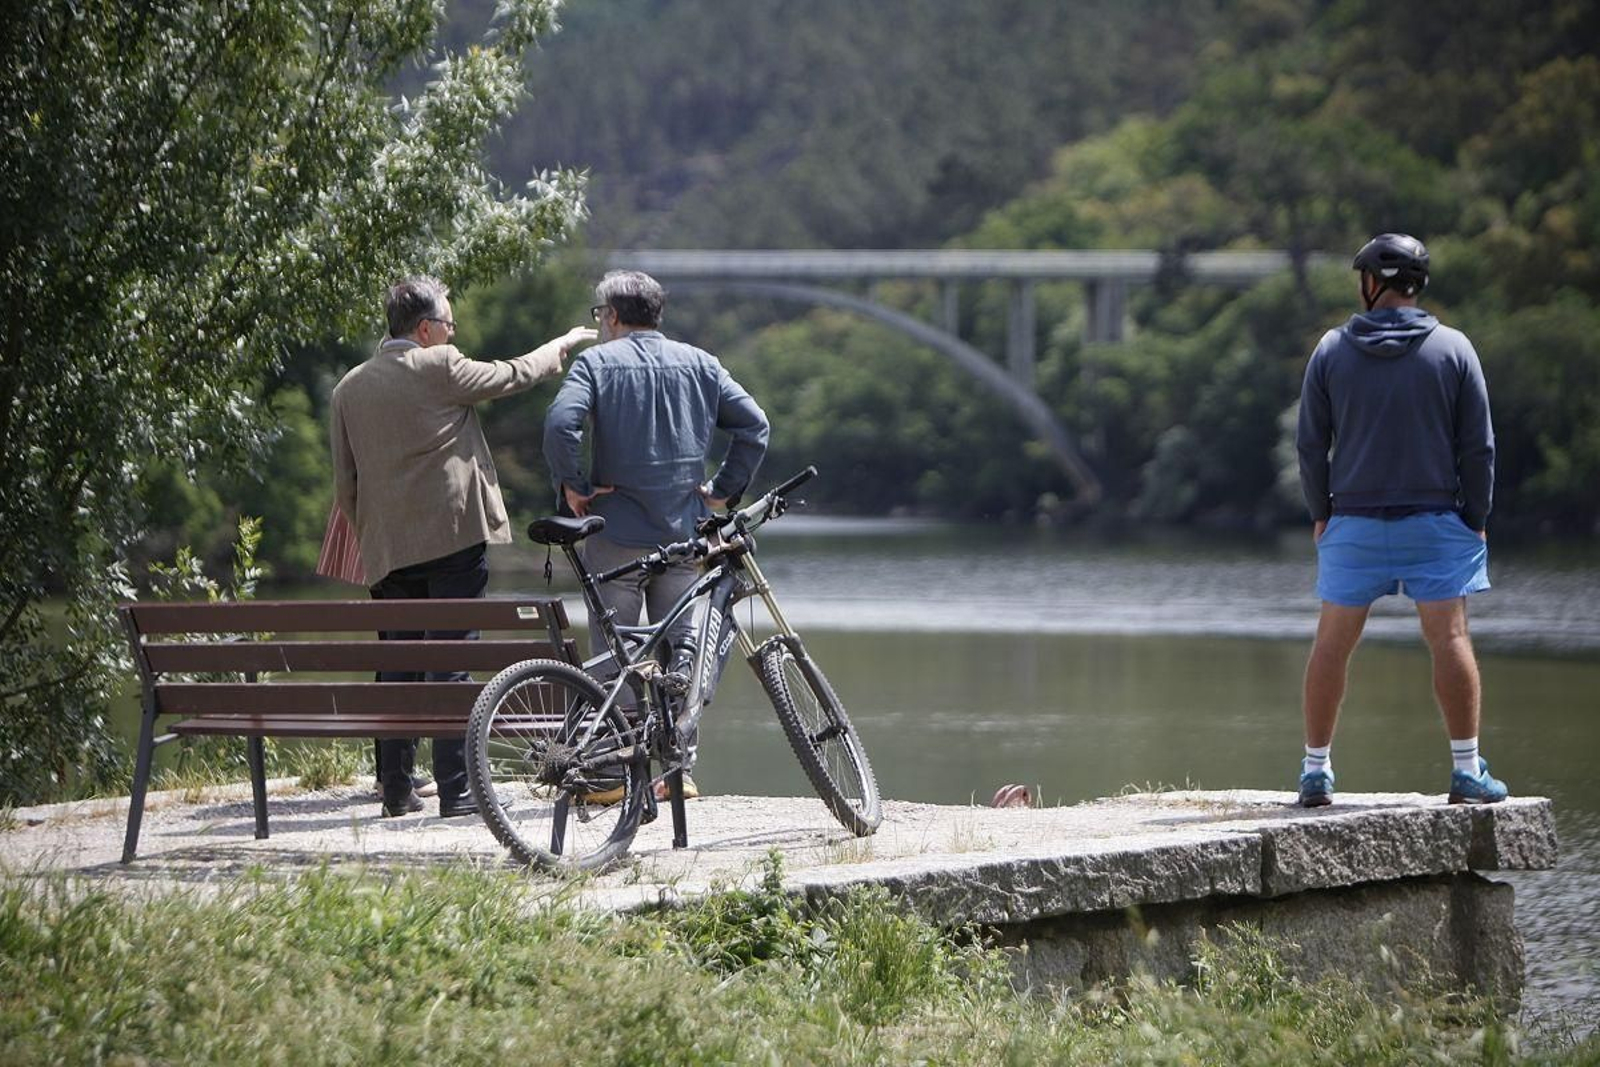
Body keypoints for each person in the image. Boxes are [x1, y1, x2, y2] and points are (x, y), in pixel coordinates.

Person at [331, 275, 595, 818]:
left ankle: (397, 790)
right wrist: (561, 346)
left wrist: (373, 534)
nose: (454, 333)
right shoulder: (440, 366)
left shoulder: (348, 388)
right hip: (451, 539)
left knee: (397, 665)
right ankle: (456, 790)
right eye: (450, 325)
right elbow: (515, 373)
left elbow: (346, 484)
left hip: (386, 549)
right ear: (426, 330)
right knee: (451, 661)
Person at [1294, 233, 1506, 808]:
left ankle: (1316, 771)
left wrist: (1321, 514)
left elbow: (1311, 447)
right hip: (1438, 519)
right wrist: (1477, 518)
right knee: (1450, 638)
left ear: (1371, 284)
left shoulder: (1331, 350)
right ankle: (1466, 771)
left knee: (1332, 644)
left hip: (1354, 522)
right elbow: (1478, 448)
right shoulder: (1455, 349)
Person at [543, 270, 770, 799]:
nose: (600, 325)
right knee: (683, 649)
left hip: (615, 534)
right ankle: (677, 772)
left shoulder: (596, 363)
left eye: (601, 316)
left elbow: (560, 425)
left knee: (614, 652)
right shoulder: (701, 364)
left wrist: (574, 486)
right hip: (685, 535)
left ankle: (613, 771)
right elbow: (754, 425)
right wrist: (721, 493)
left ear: (614, 316)